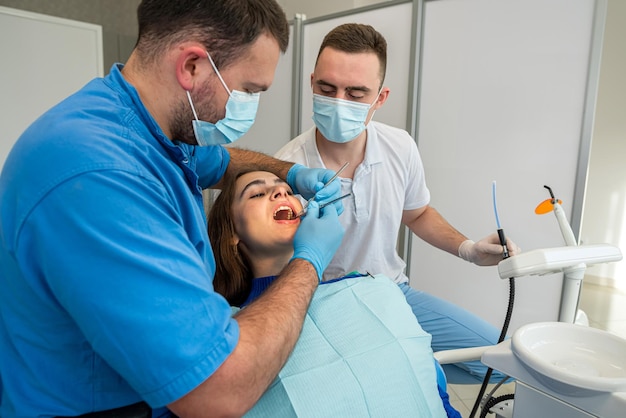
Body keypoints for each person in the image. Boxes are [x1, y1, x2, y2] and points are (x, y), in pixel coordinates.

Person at [0, 1, 346, 417]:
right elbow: (215, 392)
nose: (250, 107)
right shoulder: (97, 175)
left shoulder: (149, 125)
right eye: (250, 91)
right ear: (193, 66)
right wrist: (308, 261)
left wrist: (291, 172)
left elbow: (220, 162)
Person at [275, 23, 520, 383]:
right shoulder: (286, 168)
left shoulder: (399, 146)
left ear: (381, 98)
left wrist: (469, 249)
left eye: (357, 94)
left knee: (504, 363)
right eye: (327, 89)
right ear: (312, 82)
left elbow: (417, 213)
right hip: (322, 306)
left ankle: (408, 367)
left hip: (390, 291)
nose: (339, 102)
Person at [207, 169, 462, 418]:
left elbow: (430, 389)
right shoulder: (225, 331)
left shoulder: (371, 288)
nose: (279, 192)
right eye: (257, 194)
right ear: (232, 233)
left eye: (287, 190)